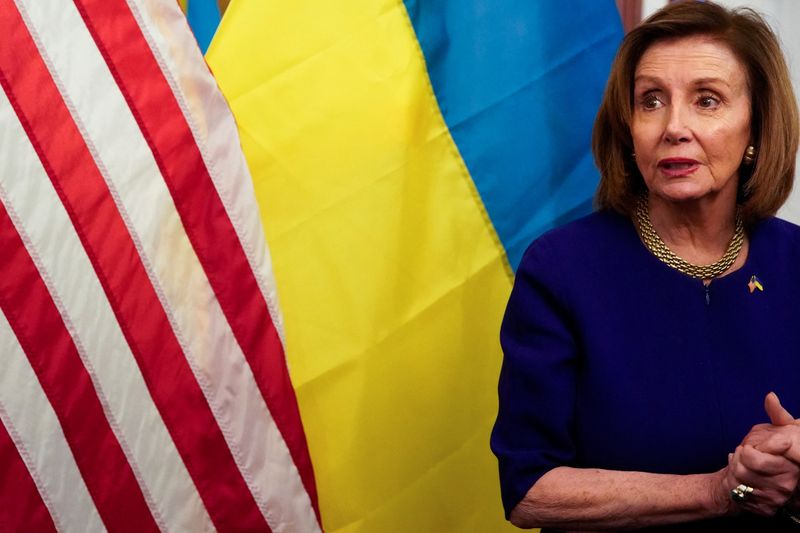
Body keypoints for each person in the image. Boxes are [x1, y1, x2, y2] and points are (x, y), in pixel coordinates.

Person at [490, 1, 800, 531]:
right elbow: (530, 491)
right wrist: (720, 491)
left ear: (756, 129)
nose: (673, 126)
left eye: (707, 100)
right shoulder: (562, 270)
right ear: (628, 127)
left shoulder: (794, 259)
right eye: (651, 101)